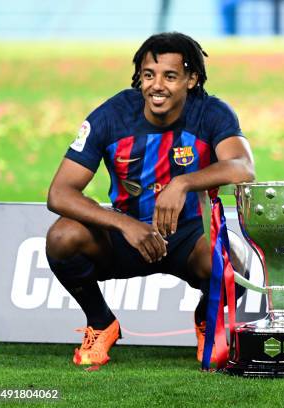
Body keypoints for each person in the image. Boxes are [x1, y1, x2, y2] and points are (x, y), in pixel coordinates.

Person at [45, 32, 254, 366]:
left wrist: (183, 183)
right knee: (62, 236)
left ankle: (206, 319)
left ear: (191, 79)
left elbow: (243, 167)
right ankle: (101, 322)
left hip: (189, 236)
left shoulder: (211, 112)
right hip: (125, 236)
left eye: (170, 76)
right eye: (148, 75)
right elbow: (59, 193)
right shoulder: (112, 115)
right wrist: (125, 224)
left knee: (235, 262)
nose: (157, 86)